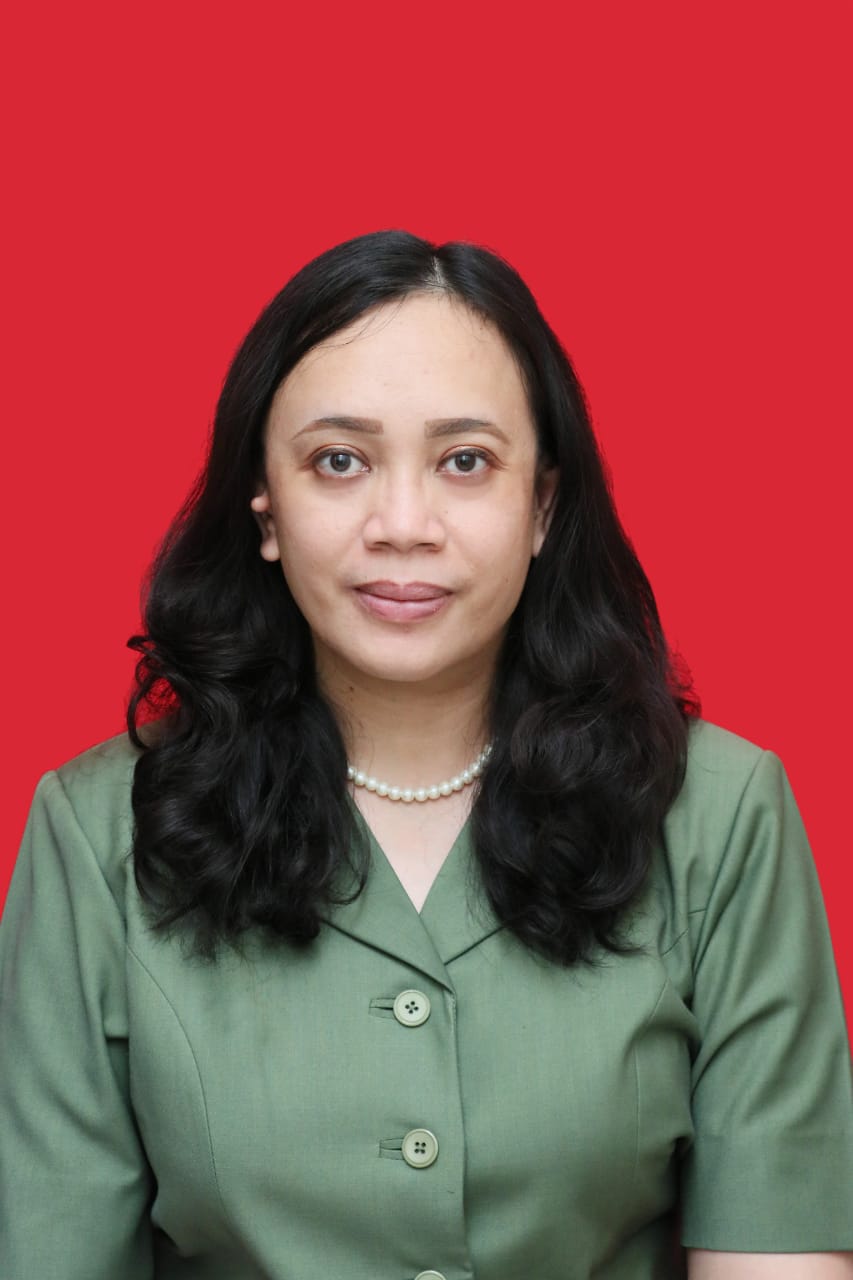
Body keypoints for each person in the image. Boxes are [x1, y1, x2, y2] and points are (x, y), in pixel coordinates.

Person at [1, 230, 851, 1280]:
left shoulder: (718, 813)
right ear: (266, 509)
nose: (402, 524)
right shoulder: (95, 834)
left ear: (541, 506)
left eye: (464, 461)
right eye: (338, 461)